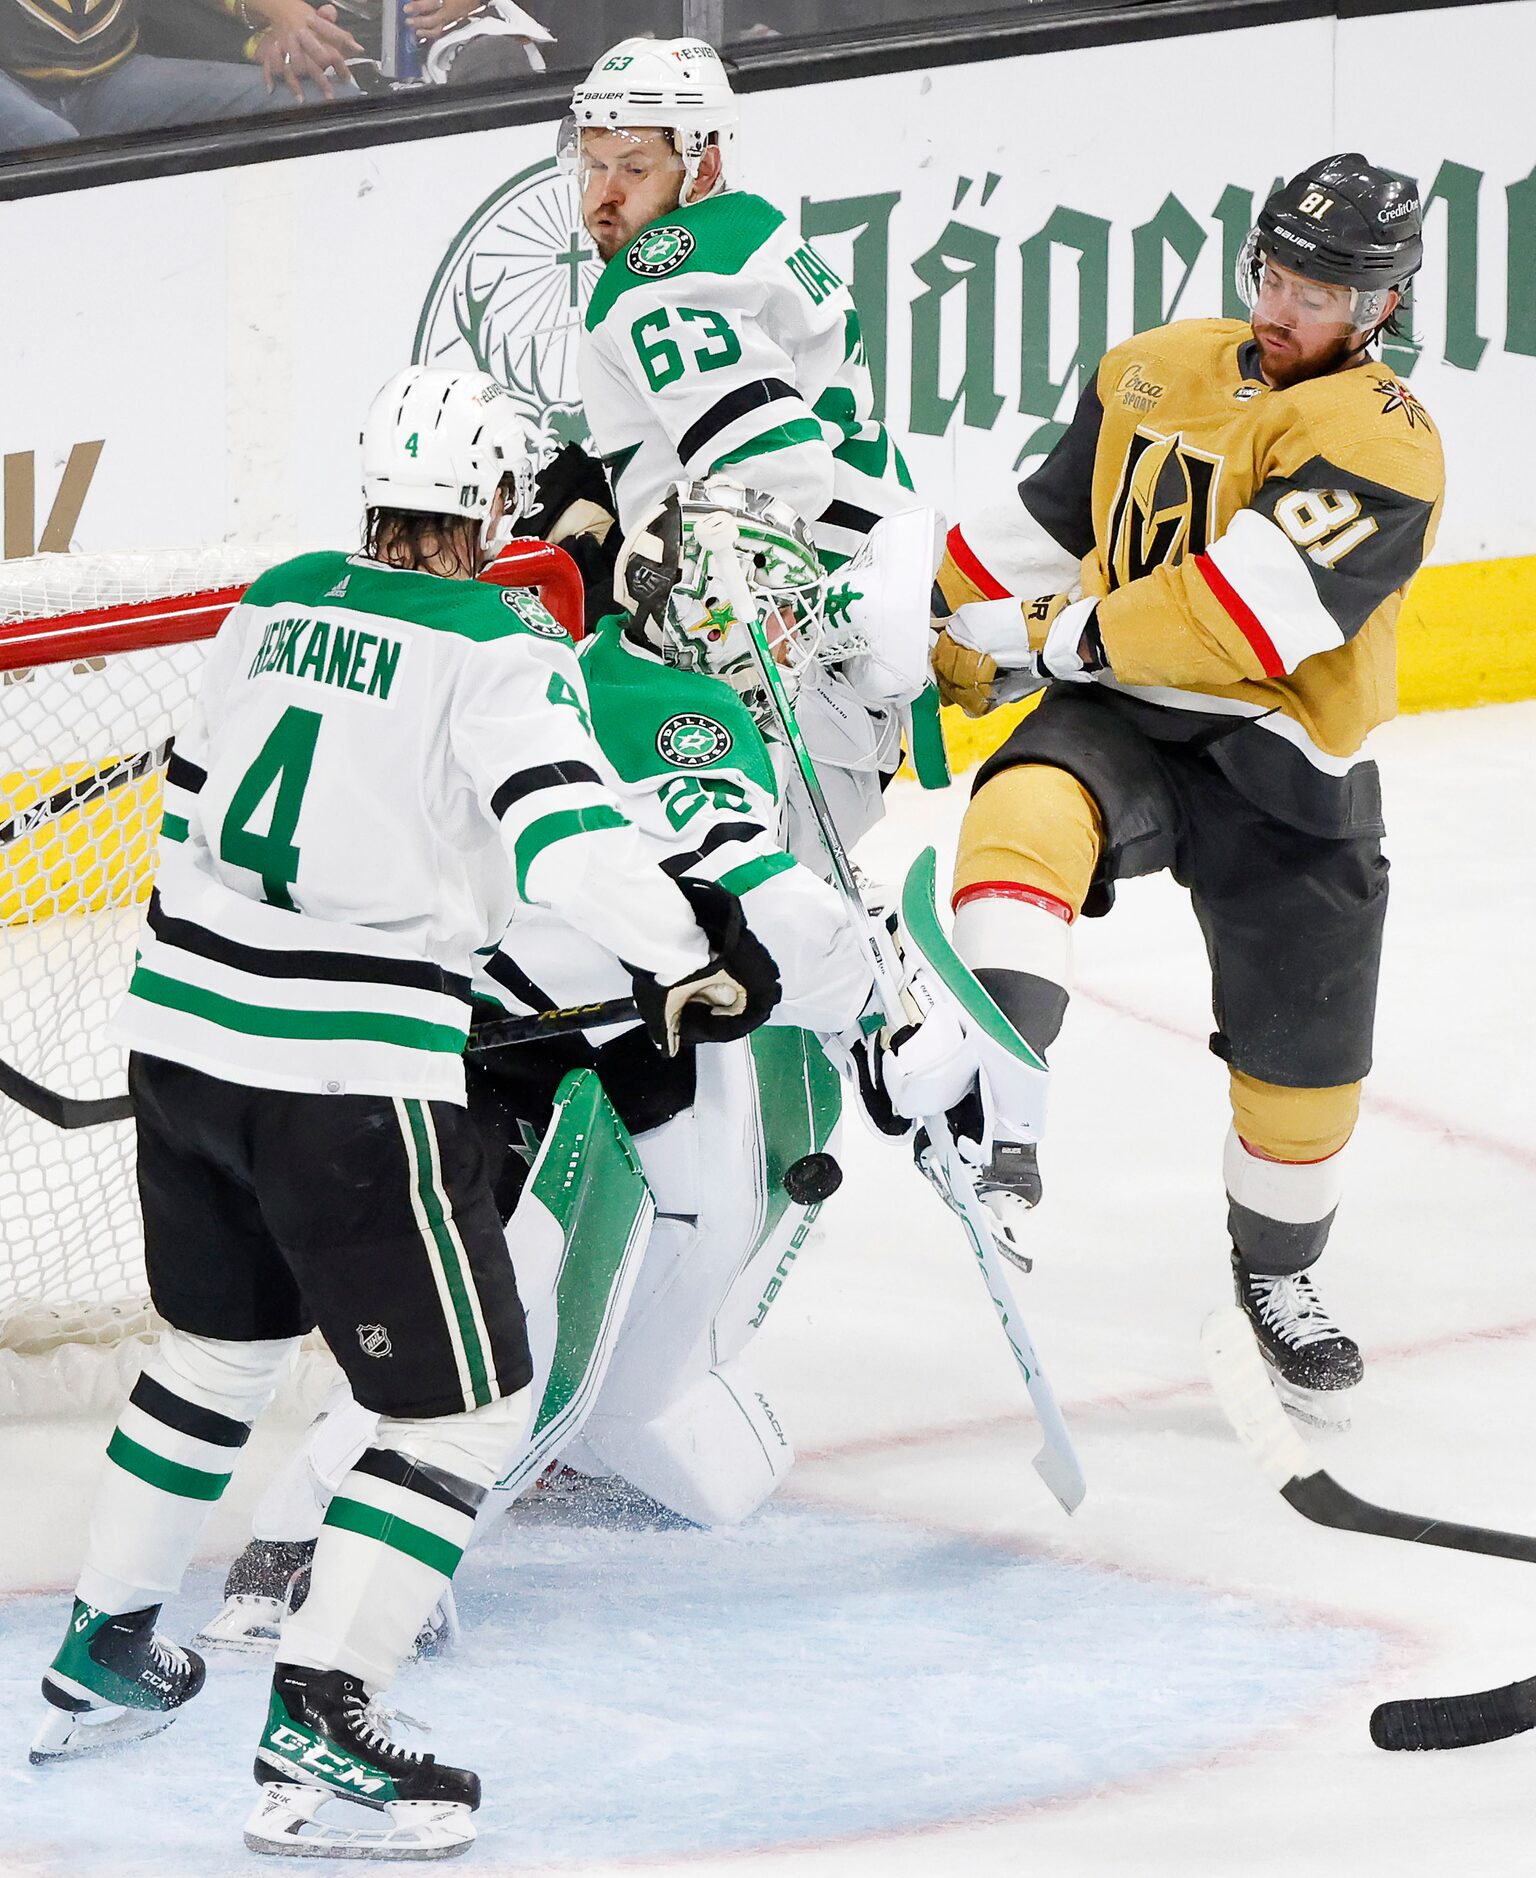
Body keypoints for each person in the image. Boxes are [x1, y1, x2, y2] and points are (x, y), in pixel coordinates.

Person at [30, 374, 783, 1861]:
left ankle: (103, 1653)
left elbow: (187, 812)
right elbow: (571, 846)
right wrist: (688, 953)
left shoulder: (269, 600)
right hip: (347, 1080)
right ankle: (320, 1736)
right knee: (467, 1407)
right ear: (494, 505)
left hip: (181, 1046)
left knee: (214, 1355)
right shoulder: (501, 645)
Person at [198, 477, 971, 1650]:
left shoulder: (601, 673)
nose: (792, 648)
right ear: (717, 614)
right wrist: (887, 1007)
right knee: (498, 1325)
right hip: (478, 1050)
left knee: (543, 1290)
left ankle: (352, 1531)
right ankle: (305, 1553)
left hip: (483, 1029)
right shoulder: (680, 717)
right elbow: (759, 911)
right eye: (778, 619)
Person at [929, 154, 1444, 1427]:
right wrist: (921, 617)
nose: (1286, 306)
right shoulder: (1153, 365)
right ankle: (1002, 1133)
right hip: (1119, 718)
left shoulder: (1389, 446)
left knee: (1305, 1075)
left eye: (1321, 292)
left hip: (1284, 759)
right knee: (1024, 810)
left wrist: (1036, 640)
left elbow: (1238, 618)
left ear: (1380, 307)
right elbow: (1047, 521)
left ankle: (1280, 1280)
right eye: (1276, 273)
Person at [562, 35, 943, 855]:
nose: (604, 194)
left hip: (784, 667)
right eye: (592, 165)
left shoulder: (659, 277)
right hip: (845, 631)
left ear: (701, 164)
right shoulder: (746, 235)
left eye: (633, 166)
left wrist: (653, 576)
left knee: (769, 934)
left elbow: (774, 475)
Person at [0, 0, 358, 150]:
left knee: (333, 104)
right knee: (61, 151)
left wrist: (283, 21)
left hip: (113, 77)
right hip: (12, 87)